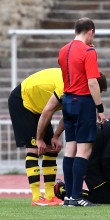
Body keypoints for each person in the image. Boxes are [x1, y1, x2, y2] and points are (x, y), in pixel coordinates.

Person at [58, 17, 106, 207]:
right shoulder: (89, 51)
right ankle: (77, 197)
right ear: (90, 31)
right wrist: (100, 109)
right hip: (83, 101)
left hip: (67, 101)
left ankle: (69, 196)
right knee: (84, 150)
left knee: (70, 148)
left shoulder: (63, 50)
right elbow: (93, 82)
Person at [8, 68, 65, 206]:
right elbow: (47, 111)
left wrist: (56, 136)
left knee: (52, 149)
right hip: (22, 101)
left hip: (39, 107)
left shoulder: (78, 88)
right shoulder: (66, 85)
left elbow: (69, 115)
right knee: (34, 148)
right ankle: (36, 197)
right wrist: (39, 139)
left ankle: (50, 195)